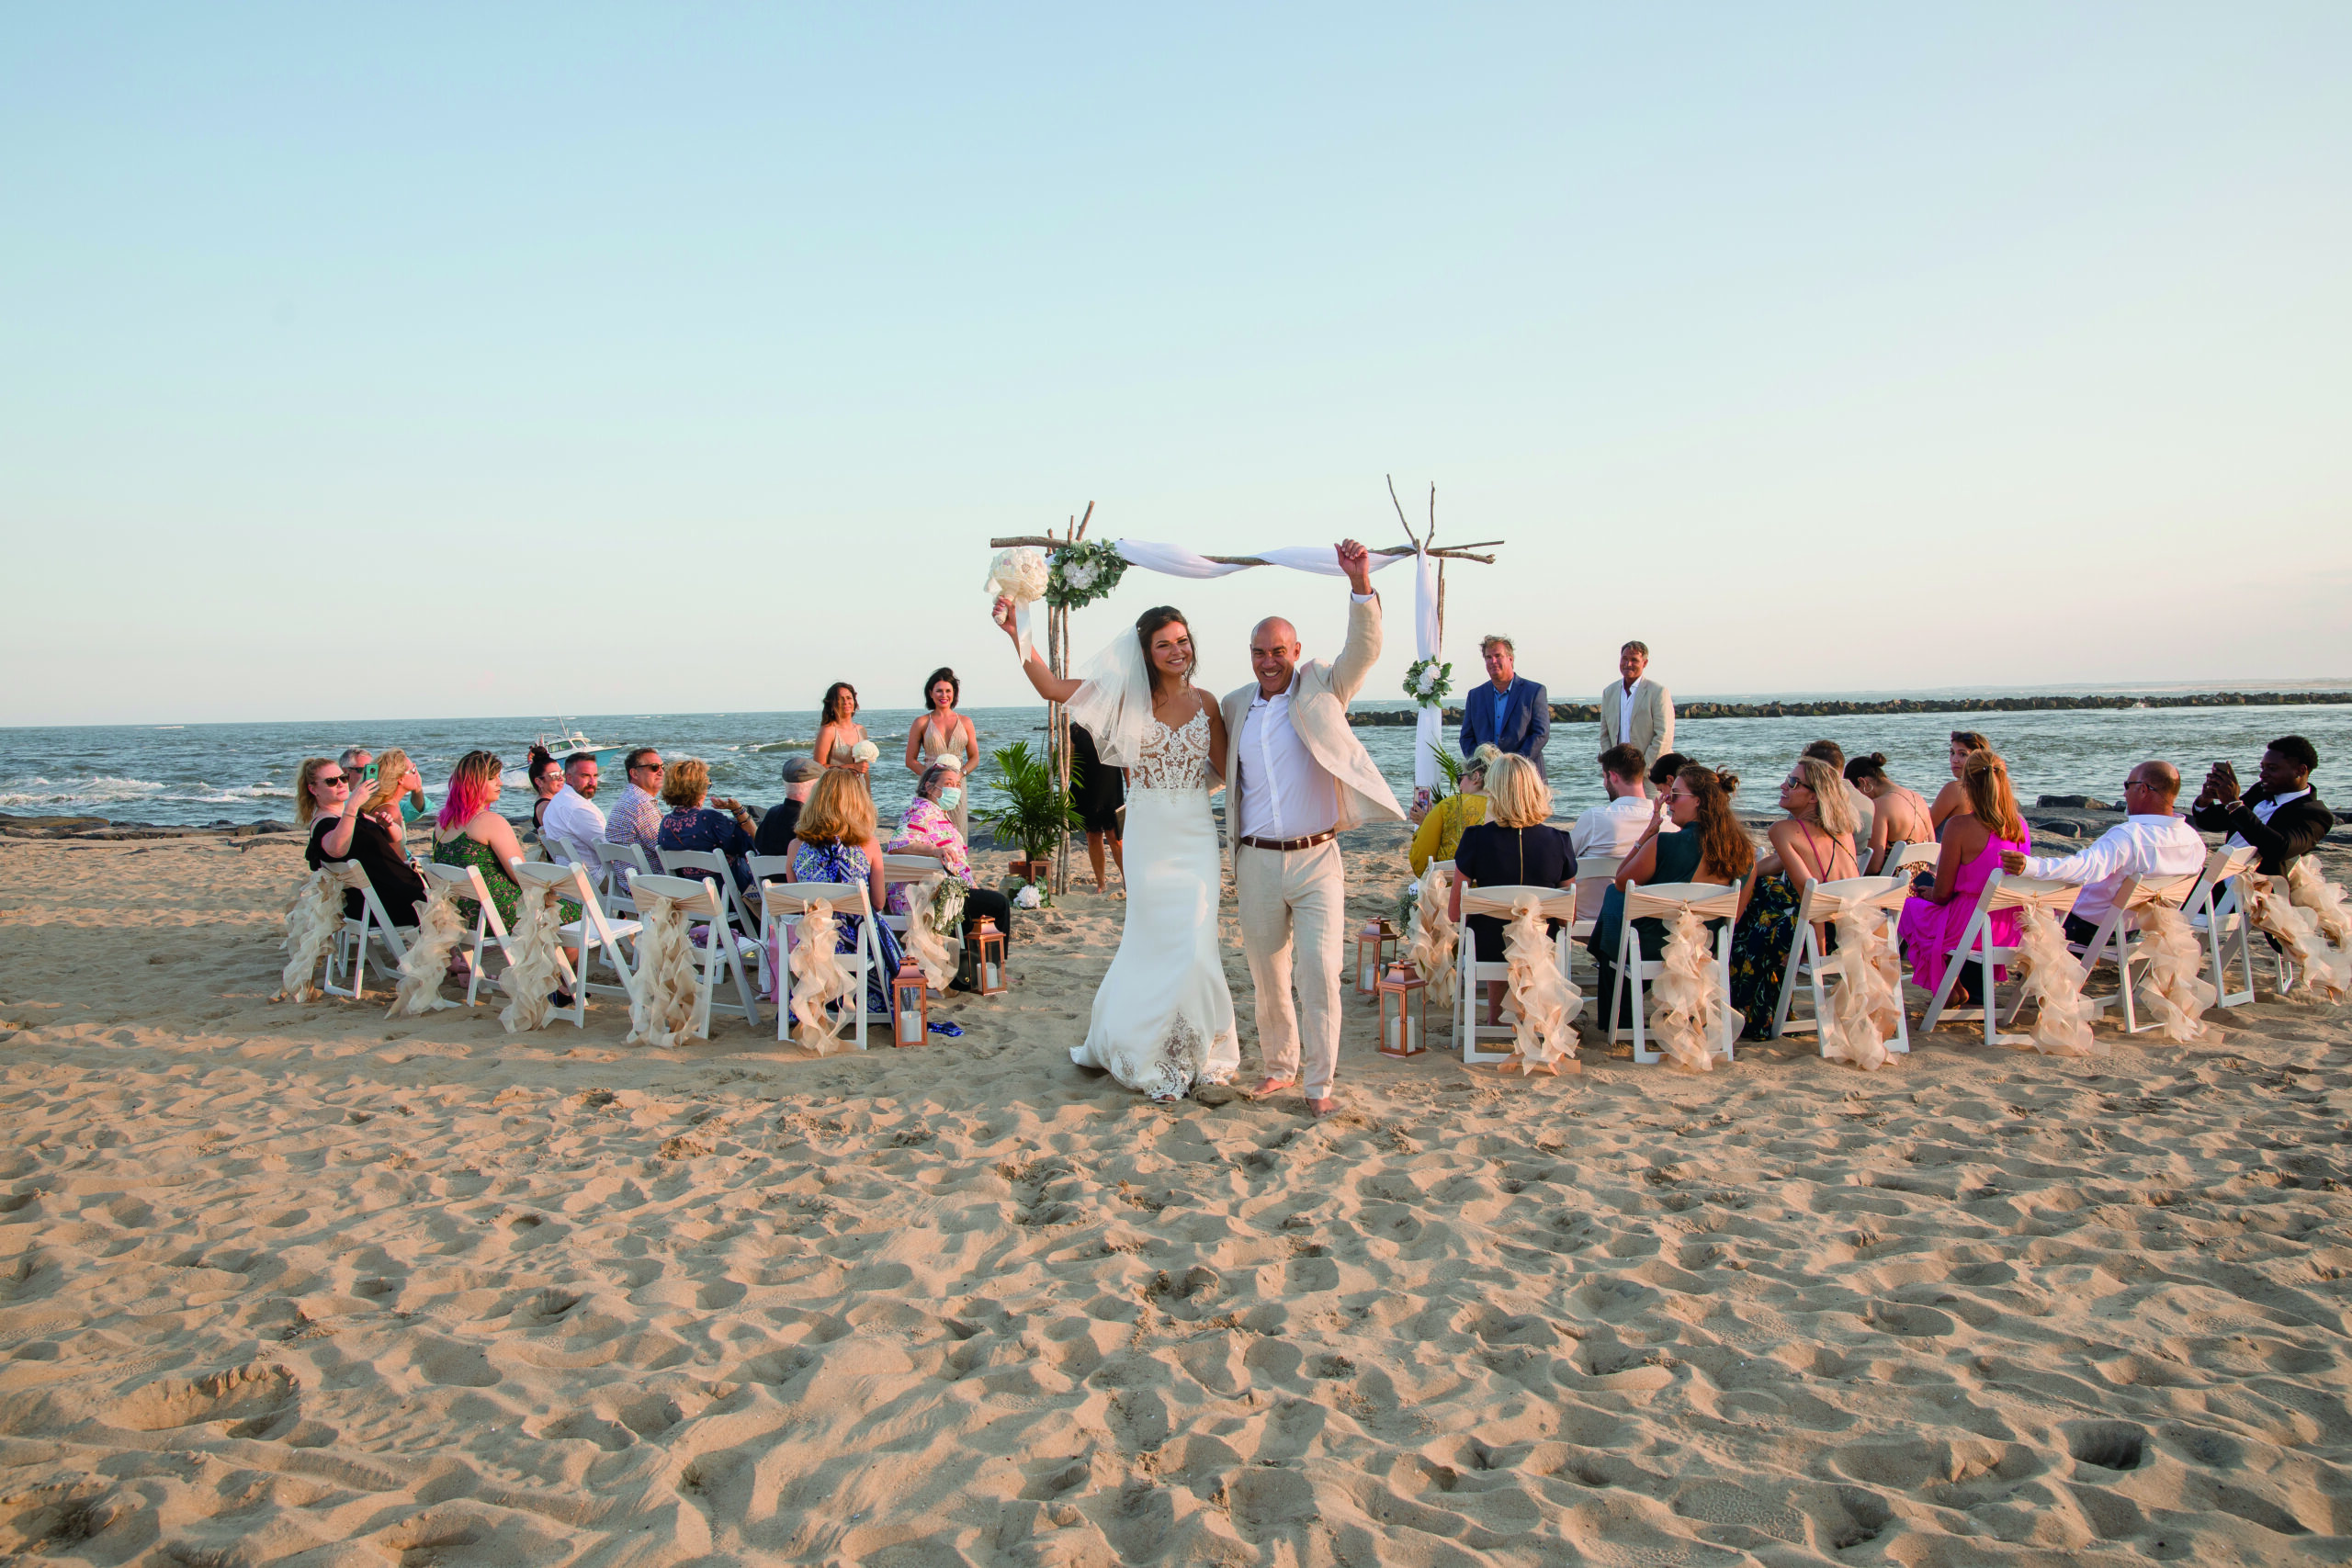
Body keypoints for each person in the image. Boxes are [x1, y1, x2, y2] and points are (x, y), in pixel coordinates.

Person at [995, 589, 1240, 1104]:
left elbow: (1227, 772)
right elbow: (1049, 685)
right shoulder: (1122, 698)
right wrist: (1018, 632)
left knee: (1197, 946)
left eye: (1181, 640)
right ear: (1145, 653)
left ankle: (1198, 1049)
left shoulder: (1208, 703)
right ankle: (1145, 1048)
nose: (1177, 650)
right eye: (1163, 645)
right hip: (1149, 837)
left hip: (1196, 836)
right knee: (1153, 945)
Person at [1219, 541, 1404, 1119]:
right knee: (1268, 975)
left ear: (1296, 651)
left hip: (1318, 858)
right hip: (1256, 863)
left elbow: (1365, 649)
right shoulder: (1233, 705)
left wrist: (1360, 582)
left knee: (1320, 972)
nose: (1268, 660)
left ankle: (1320, 1083)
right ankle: (1280, 1068)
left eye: (1278, 650)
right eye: (1258, 652)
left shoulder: (1323, 685)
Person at [1588, 764, 1755, 1022]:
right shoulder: (1743, 851)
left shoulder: (1664, 843)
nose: (1667, 800)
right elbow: (1735, 914)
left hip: (1652, 946)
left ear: (1698, 801)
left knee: (1614, 898)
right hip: (1705, 946)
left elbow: (1622, 880)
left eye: (1674, 795)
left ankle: (1619, 1018)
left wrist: (1648, 833)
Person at [2002, 761, 2204, 944]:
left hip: (2089, 928)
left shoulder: (2129, 837)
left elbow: (2085, 869)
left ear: (2143, 789)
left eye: (2128, 785)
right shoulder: (2192, 839)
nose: (2124, 793)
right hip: (2136, 928)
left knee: (2025, 910)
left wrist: (2031, 865)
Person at [1730, 756, 1860, 1037]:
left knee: (1755, 914)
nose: (1783, 785)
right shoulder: (1842, 831)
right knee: (1764, 889)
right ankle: (1760, 1008)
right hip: (1849, 928)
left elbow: (1807, 889)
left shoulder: (1783, 830)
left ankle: (1750, 1010)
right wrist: (1738, 872)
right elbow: (1773, 866)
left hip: (1814, 931)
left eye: (1792, 782)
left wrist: (1818, 949)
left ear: (1813, 797)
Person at [1452, 754, 1577, 1027]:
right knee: (1532, 930)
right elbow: (1569, 917)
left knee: (1488, 928)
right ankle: (1529, 1018)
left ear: (1493, 791)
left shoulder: (1475, 838)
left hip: (1488, 948)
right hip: (1543, 946)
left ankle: (1496, 1018)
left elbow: (1454, 912)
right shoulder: (1559, 841)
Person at [1897, 750, 2030, 1006]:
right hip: (2009, 926)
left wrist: (1932, 892)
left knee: (1908, 907)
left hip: (1972, 924)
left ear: (1966, 786)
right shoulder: (2019, 825)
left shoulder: (1959, 826)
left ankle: (1950, 986)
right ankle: (1952, 985)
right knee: (1928, 912)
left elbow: (1943, 893)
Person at [788, 764, 908, 1016]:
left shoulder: (795, 847)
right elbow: (877, 903)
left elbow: (796, 905)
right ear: (859, 804)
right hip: (857, 942)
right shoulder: (868, 845)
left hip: (813, 944)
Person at [431, 750, 577, 937]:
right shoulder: (489, 821)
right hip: (499, 914)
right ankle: (557, 967)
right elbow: (521, 875)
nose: (500, 783)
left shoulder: (442, 823)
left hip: (460, 915)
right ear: (475, 783)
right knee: (580, 913)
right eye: (493, 778)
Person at [887, 761, 1018, 955]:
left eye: (958, 785)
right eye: (949, 784)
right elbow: (898, 845)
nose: (955, 789)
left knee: (984, 903)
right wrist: (933, 850)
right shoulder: (922, 812)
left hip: (946, 893)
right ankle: (993, 966)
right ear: (929, 787)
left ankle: (979, 965)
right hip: (929, 899)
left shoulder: (938, 813)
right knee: (998, 904)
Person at [299, 756, 425, 926]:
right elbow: (337, 849)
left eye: (343, 778)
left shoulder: (352, 816)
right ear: (313, 789)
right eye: (331, 781)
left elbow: (397, 838)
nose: (341, 784)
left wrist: (387, 825)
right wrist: (352, 805)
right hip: (386, 903)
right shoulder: (325, 823)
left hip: (382, 898)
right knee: (451, 899)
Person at [2187, 735, 2333, 876]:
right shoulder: (2260, 791)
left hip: (2255, 886)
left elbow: (2280, 849)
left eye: (2272, 768)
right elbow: (2213, 822)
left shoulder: (2315, 814)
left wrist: (2234, 804)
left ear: (2300, 771)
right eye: (2262, 767)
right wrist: (2206, 800)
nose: (2262, 775)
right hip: (2221, 877)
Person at [655, 757, 760, 893]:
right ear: (700, 788)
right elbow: (754, 843)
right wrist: (739, 811)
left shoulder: (666, 823)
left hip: (693, 898)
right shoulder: (710, 820)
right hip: (729, 897)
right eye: (707, 784)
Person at [904, 669, 980, 839]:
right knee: (931, 829)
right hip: (931, 785)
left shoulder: (966, 722)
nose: (943, 695)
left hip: (957, 783)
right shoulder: (921, 722)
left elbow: (974, 757)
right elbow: (910, 760)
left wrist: (960, 775)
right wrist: (930, 777)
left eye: (948, 691)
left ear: (954, 694)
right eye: (939, 690)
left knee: (958, 828)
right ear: (931, 693)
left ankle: (958, 864)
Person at [1458, 636, 1549, 767]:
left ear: (1510, 659)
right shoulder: (1475, 695)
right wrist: (1481, 765)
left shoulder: (1534, 691)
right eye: (1488, 657)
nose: (1493, 661)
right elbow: (1466, 738)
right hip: (1487, 778)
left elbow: (1541, 734)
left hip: (1525, 775)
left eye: (1498, 656)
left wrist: (1512, 765)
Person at [1408, 744, 1499, 874]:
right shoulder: (1510, 807)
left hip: (1452, 890)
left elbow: (1420, 863)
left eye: (1460, 779)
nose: (1460, 786)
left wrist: (1425, 824)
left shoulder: (1448, 807)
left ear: (1475, 777)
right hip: (1498, 889)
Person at [1846, 753, 1936, 873]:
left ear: (1863, 782)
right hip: (1919, 885)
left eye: (1856, 793)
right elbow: (1933, 848)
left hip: (1893, 887)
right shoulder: (1918, 798)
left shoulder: (1879, 805)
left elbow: (1873, 866)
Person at [1570, 744, 1659, 863]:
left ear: (1613, 776)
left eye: (1604, 777)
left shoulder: (1594, 819)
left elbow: (1563, 859)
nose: (1604, 784)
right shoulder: (1667, 825)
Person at [1069, 722, 1125, 892]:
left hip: (1110, 785)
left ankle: (1128, 880)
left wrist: (1130, 784)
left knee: (1115, 837)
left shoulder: (1112, 725)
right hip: (1085, 786)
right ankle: (1101, 882)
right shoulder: (1075, 729)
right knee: (1092, 835)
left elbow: (1125, 758)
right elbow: (1070, 761)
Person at [1600, 640, 1674, 768]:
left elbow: (1664, 735)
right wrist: (1611, 766)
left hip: (1650, 773)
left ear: (1644, 663)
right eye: (1624, 659)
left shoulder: (1657, 692)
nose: (1628, 664)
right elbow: (1604, 734)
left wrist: (1643, 768)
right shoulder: (1609, 692)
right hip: (1619, 773)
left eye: (1634, 660)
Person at [1802, 740, 1873, 852]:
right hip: (1856, 866)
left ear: (1814, 770)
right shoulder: (1866, 801)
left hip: (1822, 866)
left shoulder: (1816, 801)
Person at [539, 753, 606, 867]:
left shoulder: (558, 800)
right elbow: (609, 850)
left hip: (571, 873)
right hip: (596, 877)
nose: (592, 782)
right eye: (585, 776)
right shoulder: (577, 808)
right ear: (569, 777)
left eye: (595, 776)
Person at [341, 746, 429, 827]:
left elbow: (412, 812)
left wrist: (417, 787)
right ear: (345, 771)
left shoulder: (382, 801)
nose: (370, 774)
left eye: (373, 769)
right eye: (363, 769)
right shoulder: (341, 801)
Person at [356, 750, 424, 852]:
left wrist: (418, 786)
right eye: (413, 770)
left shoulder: (384, 804)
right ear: (400, 779)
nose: (416, 774)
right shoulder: (390, 810)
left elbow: (416, 809)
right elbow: (395, 857)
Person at [754, 756, 821, 859]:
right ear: (815, 787)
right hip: (798, 874)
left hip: (768, 874)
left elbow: (759, 847)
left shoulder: (771, 814)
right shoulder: (813, 821)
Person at [605, 748, 665, 856]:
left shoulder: (628, 798)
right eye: (654, 767)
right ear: (634, 773)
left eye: (663, 767)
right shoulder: (641, 803)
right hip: (650, 873)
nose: (661, 772)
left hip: (628, 872)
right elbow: (664, 847)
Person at [1929, 731, 1991, 834]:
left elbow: (1925, 829)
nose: (1954, 760)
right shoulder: (1992, 790)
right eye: (1952, 752)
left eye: (1963, 754)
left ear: (1979, 758)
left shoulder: (1955, 789)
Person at [814, 683, 869, 780]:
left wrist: (867, 793)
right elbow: (817, 768)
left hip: (859, 790)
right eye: (840, 699)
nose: (846, 702)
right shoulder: (828, 731)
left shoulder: (861, 730)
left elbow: (865, 771)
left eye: (849, 698)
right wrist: (851, 767)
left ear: (854, 701)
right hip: (837, 789)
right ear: (832, 703)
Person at [526, 747, 563, 832]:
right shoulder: (547, 807)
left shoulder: (548, 803)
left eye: (561, 773)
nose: (561, 778)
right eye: (555, 775)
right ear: (539, 782)